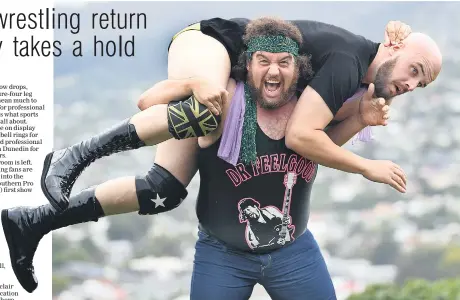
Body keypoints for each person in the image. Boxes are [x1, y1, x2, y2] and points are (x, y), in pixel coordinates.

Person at [2, 18, 415, 294]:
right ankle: (73, 157)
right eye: (263, 62)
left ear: (301, 70)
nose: (274, 72)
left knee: (159, 188)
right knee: (202, 114)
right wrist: (194, 82)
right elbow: (149, 100)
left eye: (285, 64)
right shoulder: (229, 98)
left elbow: (318, 143)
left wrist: (361, 116)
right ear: (246, 66)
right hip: (223, 253)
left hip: (293, 251)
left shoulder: (317, 108)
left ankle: (34, 220)